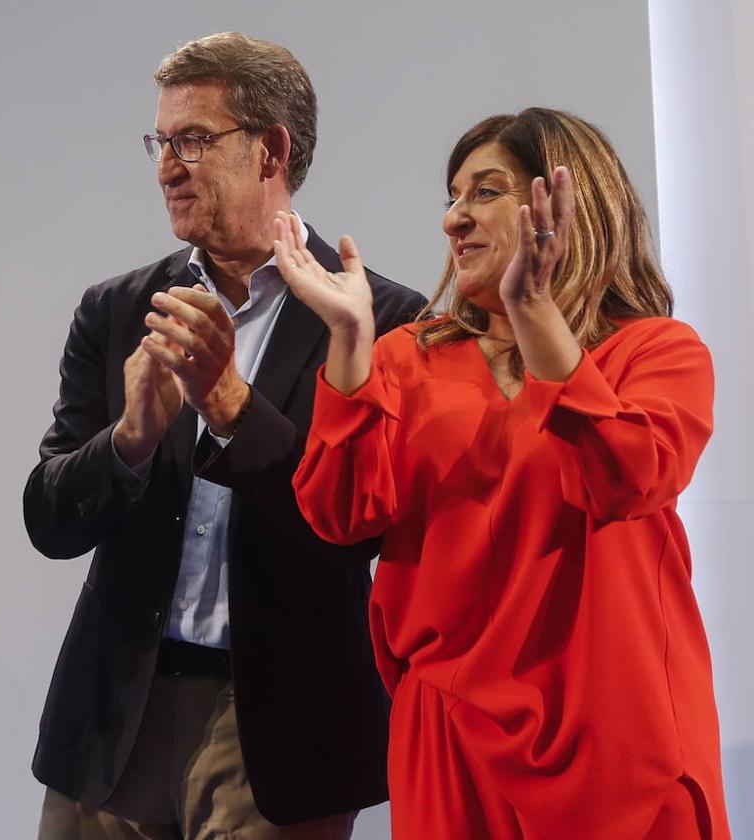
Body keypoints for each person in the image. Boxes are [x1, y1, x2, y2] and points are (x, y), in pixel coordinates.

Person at [283, 108, 730, 838]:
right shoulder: (408, 356)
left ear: (563, 201)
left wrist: (533, 308)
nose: (454, 220)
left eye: (484, 191)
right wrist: (350, 341)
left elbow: (626, 479)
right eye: (452, 198)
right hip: (451, 739)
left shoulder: (657, 353)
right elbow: (339, 513)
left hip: (617, 737)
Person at [25, 32, 425, 839]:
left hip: (280, 733)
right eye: (161, 143)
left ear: (271, 149)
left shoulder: (382, 321)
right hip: (115, 720)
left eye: (195, 141)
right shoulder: (118, 310)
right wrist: (128, 442)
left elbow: (357, 536)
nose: (169, 165)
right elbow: (50, 521)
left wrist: (236, 408)